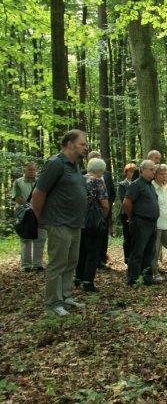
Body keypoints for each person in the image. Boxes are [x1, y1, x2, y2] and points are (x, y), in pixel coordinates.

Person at [31, 129, 89, 316]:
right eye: (82, 144)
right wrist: (39, 218)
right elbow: (39, 193)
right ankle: (52, 304)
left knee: (71, 262)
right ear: (69, 144)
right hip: (58, 222)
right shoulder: (55, 163)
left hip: (75, 223)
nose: (85, 147)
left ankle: (65, 296)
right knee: (57, 263)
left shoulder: (75, 165)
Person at [122, 160, 159, 286]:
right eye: (150, 169)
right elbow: (127, 202)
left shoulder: (150, 185)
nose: (153, 172)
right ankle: (133, 279)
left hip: (152, 223)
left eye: (154, 170)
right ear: (142, 170)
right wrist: (132, 217)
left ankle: (147, 277)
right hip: (141, 222)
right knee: (137, 251)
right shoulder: (136, 184)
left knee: (149, 252)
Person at [75, 157, 109, 292]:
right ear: (101, 170)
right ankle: (88, 282)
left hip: (79, 220)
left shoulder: (80, 179)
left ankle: (78, 277)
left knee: (81, 250)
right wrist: (103, 216)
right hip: (93, 222)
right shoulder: (98, 181)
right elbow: (104, 203)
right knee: (93, 252)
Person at [12, 161, 47, 272]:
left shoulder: (40, 182)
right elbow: (17, 198)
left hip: (39, 213)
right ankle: (25, 265)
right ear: (24, 170)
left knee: (40, 237)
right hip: (26, 214)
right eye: (29, 169)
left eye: (34, 169)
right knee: (26, 238)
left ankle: (38, 263)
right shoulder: (18, 182)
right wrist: (30, 206)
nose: (32, 172)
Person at [86, 151, 116, 270]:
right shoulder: (94, 179)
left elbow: (111, 193)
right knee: (91, 241)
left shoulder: (107, 176)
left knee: (102, 238)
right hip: (93, 215)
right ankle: (88, 272)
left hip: (99, 215)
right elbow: (104, 203)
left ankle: (101, 260)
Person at [118, 163, 137, 264]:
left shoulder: (137, 183)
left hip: (136, 213)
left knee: (135, 236)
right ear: (126, 172)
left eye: (134, 171)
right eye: (130, 171)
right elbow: (123, 199)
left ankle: (135, 258)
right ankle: (127, 259)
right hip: (125, 213)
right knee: (127, 236)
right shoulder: (122, 184)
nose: (132, 173)